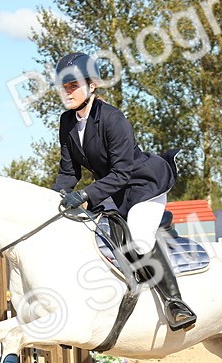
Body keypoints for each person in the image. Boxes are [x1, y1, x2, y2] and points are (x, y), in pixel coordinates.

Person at [51, 52, 196, 331]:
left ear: (91, 85)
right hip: (112, 190)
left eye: (73, 86)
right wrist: (53, 198)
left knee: (139, 240)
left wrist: (84, 195)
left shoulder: (112, 119)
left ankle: (175, 303)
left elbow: (122, 172)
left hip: (143, 185)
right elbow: (69, 172)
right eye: (64, 87)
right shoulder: (67, 122)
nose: (67, 92)